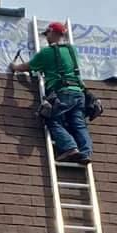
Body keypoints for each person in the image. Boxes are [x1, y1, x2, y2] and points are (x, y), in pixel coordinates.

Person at [25, 20, 93, 164]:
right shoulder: (72, 50)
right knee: (78, 124)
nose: (46, 37)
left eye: (48, 34)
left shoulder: (47, 53)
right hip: (78, 93)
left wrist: (14, 66)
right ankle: (85, 152)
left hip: (62, 92)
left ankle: (70, 148)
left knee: (52, 119)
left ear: (53, 33)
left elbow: (29, 66)